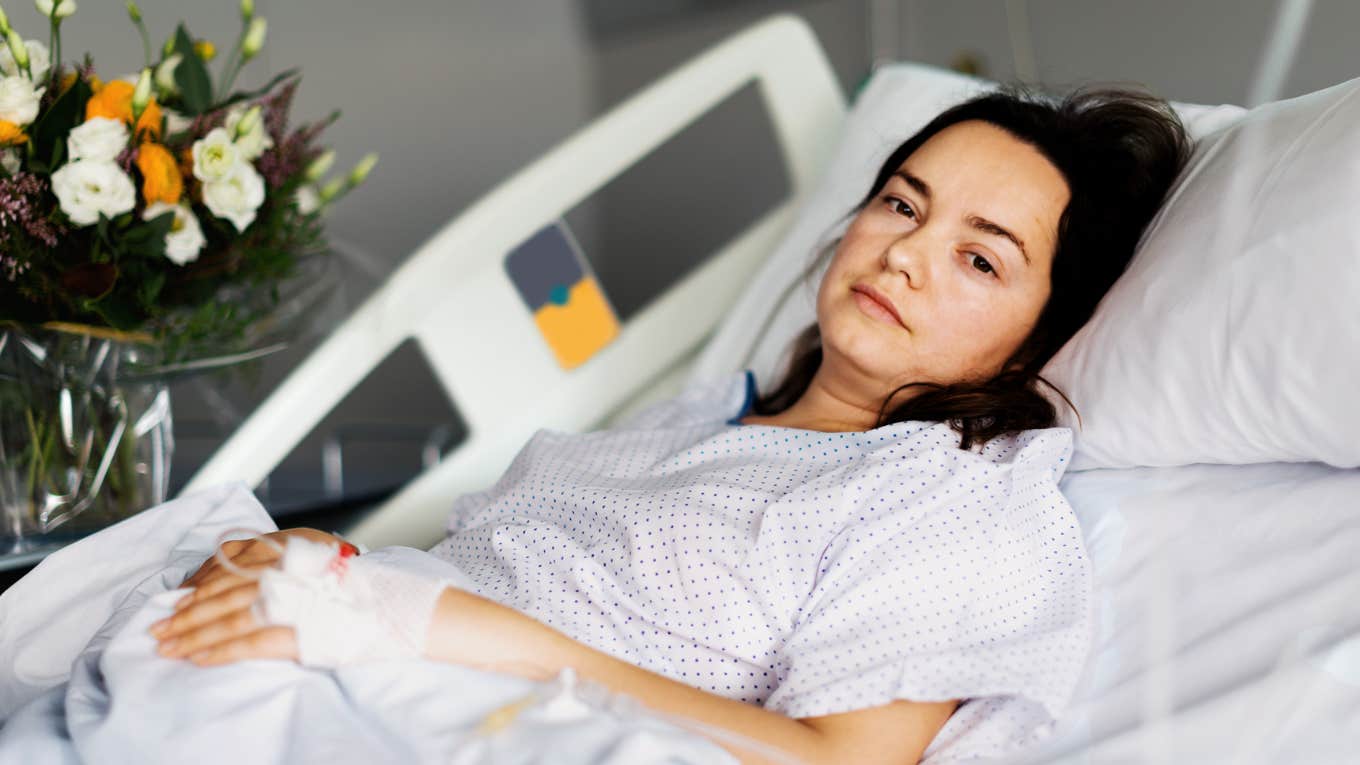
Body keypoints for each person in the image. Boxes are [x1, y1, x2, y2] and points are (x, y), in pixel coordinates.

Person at [146, 85, 1191, 765]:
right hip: (343, 661)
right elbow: (494, 569)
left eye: (981, 256)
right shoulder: (694, 418)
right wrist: (327, 564)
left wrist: (427, 625)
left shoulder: (950, 503)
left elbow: (835, 761)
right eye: (901, 204)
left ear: (1038, 336)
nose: (906, 253)